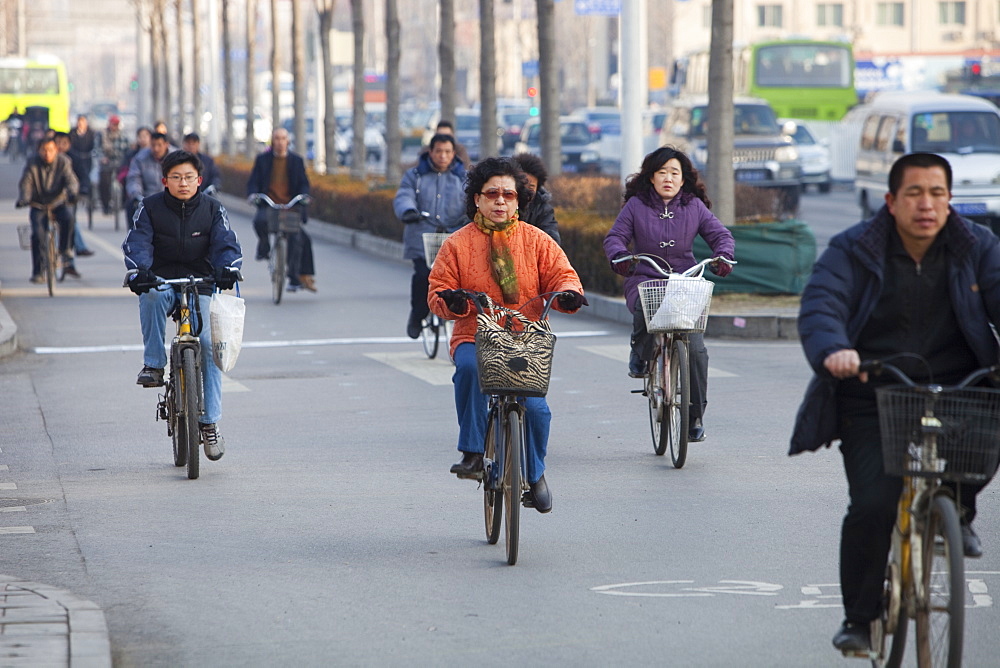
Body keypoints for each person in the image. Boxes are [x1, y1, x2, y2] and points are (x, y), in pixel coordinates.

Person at [790, 152, 1000, 652]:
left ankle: (958, 511)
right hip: (872, 389)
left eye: (937, 194)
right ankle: (860, 620)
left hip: (962, 386)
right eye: (914, 194)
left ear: (950, 200)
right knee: (873, 504)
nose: (926, 205)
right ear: (890, 200)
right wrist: (834, 350)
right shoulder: (855, 248)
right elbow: (823, 304)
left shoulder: (978, 247)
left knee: (981, 447)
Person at [427, 156, 587, 513]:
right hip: (475, 334)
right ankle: (472, 452)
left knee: (538, 410)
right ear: (477, 200)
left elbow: (564, 275)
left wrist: (568, 294)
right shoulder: (457, 244)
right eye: (492, 194)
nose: (501, 201)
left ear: (519, 201)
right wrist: (453, 302)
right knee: (468, 369)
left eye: (508, 195)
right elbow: (437, 291)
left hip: (525, 339)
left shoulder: (537, 241)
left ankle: (535, 475)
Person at [603, 146, 735, 442]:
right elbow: (615, 237)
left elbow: (720, 235)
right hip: (646, 276)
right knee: (644, 309)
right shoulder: (636, 205)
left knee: (697, 350)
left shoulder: (694, 206)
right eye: (662, 172)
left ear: (683, 179)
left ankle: (695, 417)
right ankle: (640, 355)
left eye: (674, 173)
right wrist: (621, 256)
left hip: (685, 281)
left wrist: (723, 255)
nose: (668, 178)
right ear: (651, 177)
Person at [122, 150, 242, 461]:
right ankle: (153, 364)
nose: (183, 183)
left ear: (199, 180)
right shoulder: (148, 208)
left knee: (207, 343)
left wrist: (227, 268)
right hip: (161, 282)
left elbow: (226, 243)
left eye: (189, 177)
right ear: (165, 181)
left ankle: (210, 423)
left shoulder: (213, 209)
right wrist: (139, 271)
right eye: (176, 177)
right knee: (149, 296)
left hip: (200, 283)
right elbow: (138, 242)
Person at [394, 133, 468, 338]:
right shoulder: (415, 175)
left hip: (454, 237)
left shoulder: (464, 178)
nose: (443, 156)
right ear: (431, 152)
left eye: (447, 152)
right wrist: (408, 211)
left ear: (454, 153)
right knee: (422, 277)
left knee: (460, 280)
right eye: (438, 151)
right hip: (422, 236)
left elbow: (474, 201)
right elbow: (404, 196)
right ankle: (417, 316)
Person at [247, 127, 316, 293]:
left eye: (283, 138)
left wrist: (304, 196)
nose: (280, 142)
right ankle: (263, 247)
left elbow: (304, 184)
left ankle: (294, 277)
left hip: (290, 207)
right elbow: (253, 182)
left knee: (297, 238)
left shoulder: (296, 161)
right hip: (269, 205)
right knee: (259, 221)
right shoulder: (263, 160)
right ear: (272, 141)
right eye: (276, 138)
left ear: (288, 141)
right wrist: (253, 195)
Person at [16, 136, 80, 282]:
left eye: (50, 150)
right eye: (44, 150)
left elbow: (72, 181)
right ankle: (38, 271)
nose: (47, 153)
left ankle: (65, 249)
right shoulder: (32, 163)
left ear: (56, 150)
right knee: (37, 235)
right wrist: (24, 198)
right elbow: (26, 182)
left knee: (69, 217)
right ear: (39, 150)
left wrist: (72, 193)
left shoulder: (63, 162)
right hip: (38, 204)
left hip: (58, 202)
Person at [53, 132, 94, 257]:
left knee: (69, 220)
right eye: (57, 142)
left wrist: (82, 190)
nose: (60, 146)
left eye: (64, 143)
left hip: (68, 198)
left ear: (69, 144)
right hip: (47, 199)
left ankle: (68, 259)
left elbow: (80, 178)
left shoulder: (73, 159)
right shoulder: (45, 158)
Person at [126, 131, 175, 226]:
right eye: (153, 145)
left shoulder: (176, 157)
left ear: (166, 144)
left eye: (159, 145)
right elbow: (134, 178)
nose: (156, 149)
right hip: (147, 199)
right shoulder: (140, 158)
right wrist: (137, 195)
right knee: (131, 205)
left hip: (171, 199)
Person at [511, 152, 561, 244]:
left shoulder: (542, 209)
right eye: (522, 185)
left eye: (531, 187)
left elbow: (552, 242)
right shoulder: (499, 203)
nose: (525, 190)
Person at [98, 115, 130, 214]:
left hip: (120, 164)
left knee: (126, 179)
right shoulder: (102, 135)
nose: (114, 127)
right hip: (107, 164)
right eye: (113, 124)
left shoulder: (123, 137)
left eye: (116, 125)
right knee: (104, 181)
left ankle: (123, 202)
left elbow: (127, 151)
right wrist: (102, 158)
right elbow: (97, 150)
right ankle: (106, 205)